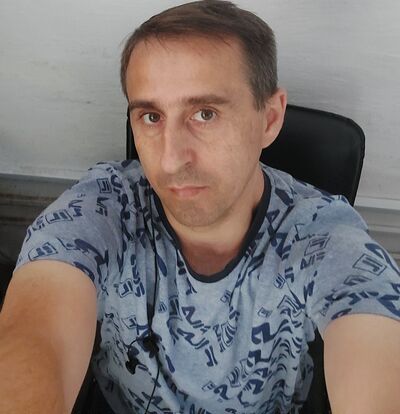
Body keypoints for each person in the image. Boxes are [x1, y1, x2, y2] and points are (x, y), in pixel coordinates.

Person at [1, 1, 399, 413]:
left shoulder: (321, 236)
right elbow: (35, 333)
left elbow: (372, 338)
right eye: (151, 117)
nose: (171, 160)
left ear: (269, 119)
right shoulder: (104, 207)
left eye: (205, 114)